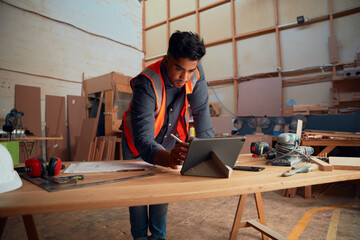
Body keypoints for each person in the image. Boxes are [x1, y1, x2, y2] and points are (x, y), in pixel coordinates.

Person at [121, 30, 214, 240]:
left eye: (190, 70)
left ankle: (158, 237)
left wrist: (209, 152)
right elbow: (143, 140)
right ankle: (139, 237)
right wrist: (165, 158)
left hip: (169, 140)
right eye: (179, 69)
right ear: (166, 59)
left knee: (161, 195)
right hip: (136, 143)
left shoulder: (195, 70)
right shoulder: (146, 83)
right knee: (137, 198)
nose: (185, 77)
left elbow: (201, 112)